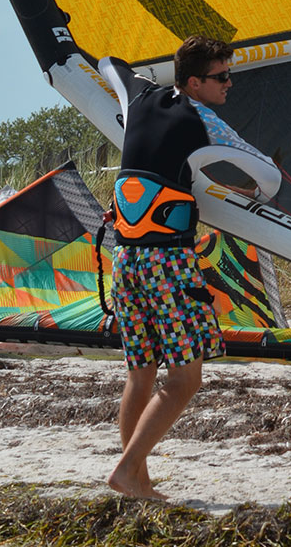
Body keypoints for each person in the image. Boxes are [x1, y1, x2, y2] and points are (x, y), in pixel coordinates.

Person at [101, 35, 280, 501]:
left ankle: (138, 482)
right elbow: (269, 174)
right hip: (167, 264)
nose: (229, 84)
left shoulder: (139, 96)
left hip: (124, 260)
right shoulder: (205, 121)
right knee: (185, 379)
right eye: (221, 77)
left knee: (141, 372)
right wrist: (251, 197)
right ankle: (125, 470)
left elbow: (109, 62)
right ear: (196, 82)